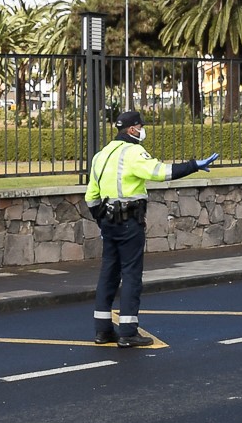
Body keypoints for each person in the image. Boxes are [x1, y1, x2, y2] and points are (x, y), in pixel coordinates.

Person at [85, 111, 218, 347]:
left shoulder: (101, 155)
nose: (142, 130)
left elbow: (91, 197)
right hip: (129, 222)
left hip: (109, 222)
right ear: (132, 130)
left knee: (108, 274)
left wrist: (103, 221)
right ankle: (127, 331)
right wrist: (193, 166)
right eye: (141, 126)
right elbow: (161, 173)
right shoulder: (133, 152)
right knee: (131, 275)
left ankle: (102, 330)